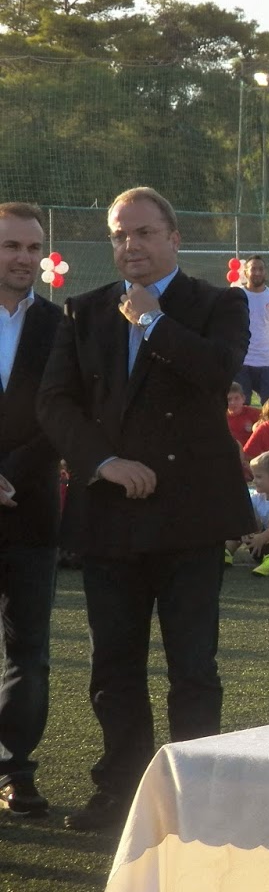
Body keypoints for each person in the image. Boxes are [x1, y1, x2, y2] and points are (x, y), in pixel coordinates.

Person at [38, 186, 250, 832]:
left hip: (190, 518)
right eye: (119, 235)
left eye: (143, 233)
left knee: (193, 666)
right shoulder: (82, 312)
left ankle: (196, 792)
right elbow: (56, 404)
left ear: (173, 237)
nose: (130, 246)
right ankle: (121, 789)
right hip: (110, 516)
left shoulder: (218, 304)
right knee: (114, 664)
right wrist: (105, 464)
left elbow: (218, 372)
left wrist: (153, 322)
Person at [0, 203, 63, 818]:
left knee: (29, 653)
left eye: (32, 247)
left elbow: (63, 414)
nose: (23, 258)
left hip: (33, 508)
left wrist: (10, 475)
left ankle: (16, 768)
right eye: (12, 246)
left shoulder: (58, 324)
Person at [235, 255, 269, 403]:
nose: (257, 272)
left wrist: (262, 344)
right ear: (245, 272)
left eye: (261, 269)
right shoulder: (237, 295)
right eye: (253, 269)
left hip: (267, 361)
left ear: (266, 272)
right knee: (242, 406)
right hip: (242, 361)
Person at [225, 382, 258, 449]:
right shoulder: (220, 418)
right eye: (229, 399)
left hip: (249, 454)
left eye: (237, 398)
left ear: (243, 398)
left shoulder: (254, 414)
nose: (233, 402)